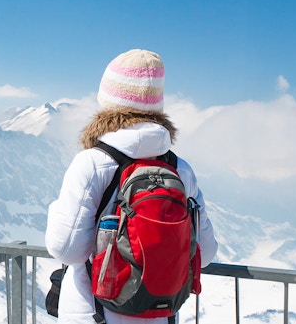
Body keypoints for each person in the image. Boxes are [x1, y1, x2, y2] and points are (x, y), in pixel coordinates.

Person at [45, 49, 218, 324]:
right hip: (159, 313)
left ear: (107, 100)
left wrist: (56, 209)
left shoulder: (92, 163)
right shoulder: (180, 169)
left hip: (94, 312)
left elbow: (67, 249)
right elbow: (205, 253)